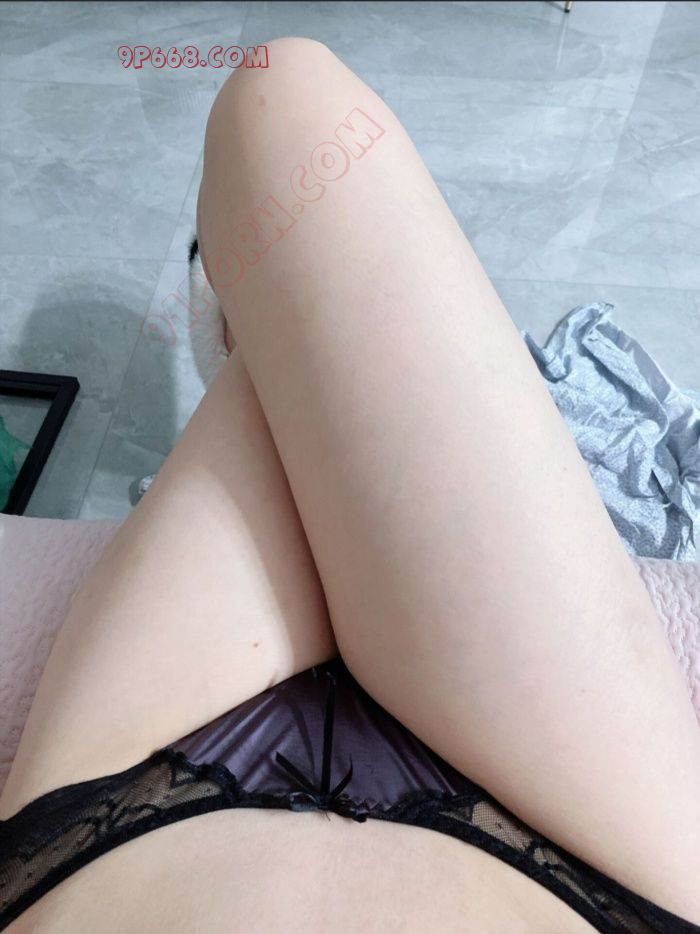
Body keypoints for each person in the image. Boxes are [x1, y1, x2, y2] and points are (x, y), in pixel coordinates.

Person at [1, 38, 699, 934]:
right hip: (584, 863)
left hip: (102, 839)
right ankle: (263, 331)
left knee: (282, 104)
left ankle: (256, 340)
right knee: (295, 134)